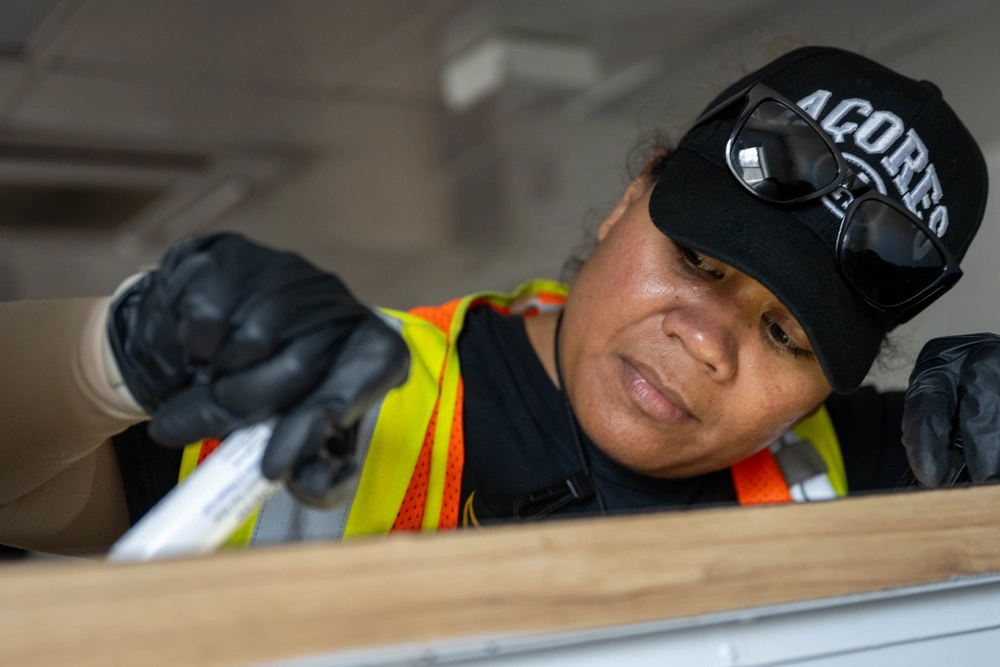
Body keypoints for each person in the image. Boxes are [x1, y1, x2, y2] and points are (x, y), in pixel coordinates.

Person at [1, 46, 998, 555]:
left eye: (783, 331)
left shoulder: (875, 462)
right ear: (628, 199)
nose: (705, 343)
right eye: (697, 261)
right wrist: (114, 351)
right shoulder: (337, 394)